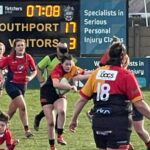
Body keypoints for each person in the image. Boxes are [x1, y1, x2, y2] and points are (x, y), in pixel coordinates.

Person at [69, 42, 150, 150]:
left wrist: (74, 119)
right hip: (118, 123)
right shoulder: (126, 75)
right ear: (123, 56)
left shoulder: (96, 73)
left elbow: (81, 100)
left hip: (98, 123)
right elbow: (139, 104)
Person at [41, 54, 91, 150]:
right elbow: (56, 84)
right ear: (62, 64)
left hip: (59, 94)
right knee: (51, 123)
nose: (68, 66)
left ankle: (60, 136)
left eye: (70, 64)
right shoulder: (57, 69)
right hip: (47, 93)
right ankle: (52, 146)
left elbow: (83, 73)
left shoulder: (73, 68)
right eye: (66, 64)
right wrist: (70, 87)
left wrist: (97, 72)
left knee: (62, 111)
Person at [0, 39, 37, 138]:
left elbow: (34, 71)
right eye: (18, 45)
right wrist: (2, 77)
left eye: (22, 45)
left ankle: (1, 125)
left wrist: (30, 77)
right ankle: (27, 130)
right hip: (11, 85)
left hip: (23, 85)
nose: (21, 47)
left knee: (12, 111)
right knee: (23, 106)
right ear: (15, 47)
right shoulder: (9, 58)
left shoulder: (28, 57)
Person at [34, 42, 70, 131]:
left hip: (60, 86)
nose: (63, 52)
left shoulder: (68, 59)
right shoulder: (49, 58)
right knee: (50, 106)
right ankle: (38, 117)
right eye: (61, 50)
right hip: (48, 86)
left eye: (64, 50)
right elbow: (38, 67)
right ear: (57, 49)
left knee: (60, 107)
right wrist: (41, 80)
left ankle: (59, 128)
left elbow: (72, 69)